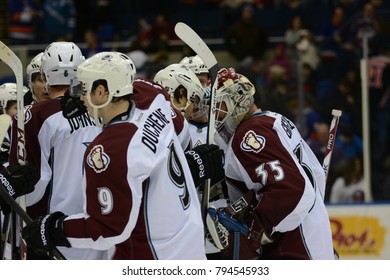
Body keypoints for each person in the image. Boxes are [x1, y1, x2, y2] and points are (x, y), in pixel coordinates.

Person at [21, 51, 224, 259]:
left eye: (84, 89)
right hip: (188, 240)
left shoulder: (109, 150)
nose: (81, 97)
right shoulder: (155, 99)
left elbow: (107, 228)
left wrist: (55, 229)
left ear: (101, 91)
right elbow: (141, 90)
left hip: (153, 255)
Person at [207, 67, 334, 259]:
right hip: (313, 237)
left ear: (237, 100)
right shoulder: (276, 120)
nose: (216, 116)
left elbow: (291, 190)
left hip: (294, 247)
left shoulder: (249, 134)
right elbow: (315, 178)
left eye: (220, 105)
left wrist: (254, 233)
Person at [8, 42, 106, 260]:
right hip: (99, 225)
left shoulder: (33, 115)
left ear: (45, 74)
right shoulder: (102, 109)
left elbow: (33, 187)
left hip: (53, 231)